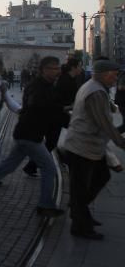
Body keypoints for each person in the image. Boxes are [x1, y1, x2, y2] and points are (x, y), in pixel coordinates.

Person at [0, 56, 66, 218]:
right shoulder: (39, 87)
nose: (56, 71)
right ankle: (45, 205)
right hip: (30, 134)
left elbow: (18, 104)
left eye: (58, 68)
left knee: (8, 166)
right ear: (43, 69)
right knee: (49, 168)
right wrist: (60, 114)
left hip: (25, 133)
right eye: (53, 68)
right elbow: (38, 105)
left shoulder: (44, 85)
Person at [62, 59, 125, 240]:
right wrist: (120, 142)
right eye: (113, 75)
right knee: (81, 187)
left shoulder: (93, 86)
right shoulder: (96, 92)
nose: (115, 79)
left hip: (88, 146)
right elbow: (104, 123)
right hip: (83, 147)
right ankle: (80, 225)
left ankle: (79, 211)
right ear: (104, 75)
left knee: (99, 177)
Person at [22, 57, 82, 177]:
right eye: (80, 66)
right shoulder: (65, 81)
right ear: (74, 67)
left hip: (59, 115)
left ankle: (32, 166)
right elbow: (53, 99)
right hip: (57, 115)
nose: (81, 68)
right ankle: (64, 162)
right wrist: (67, 107)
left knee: (51, 142)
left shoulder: (69, 79)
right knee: (52, 142)